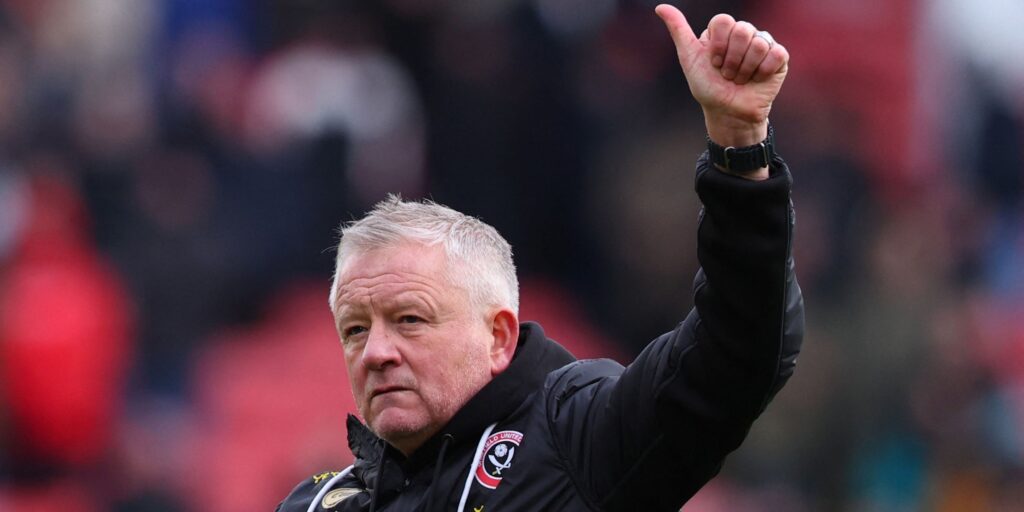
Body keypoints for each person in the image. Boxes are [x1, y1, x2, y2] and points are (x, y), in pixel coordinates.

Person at [276, 5, 803, 511]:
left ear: (498, 337)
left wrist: (739, 146)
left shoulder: (575, 440)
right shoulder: (318, 504)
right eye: (355, 330)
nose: (376, 353)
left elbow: (738, 350)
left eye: (409, 320)